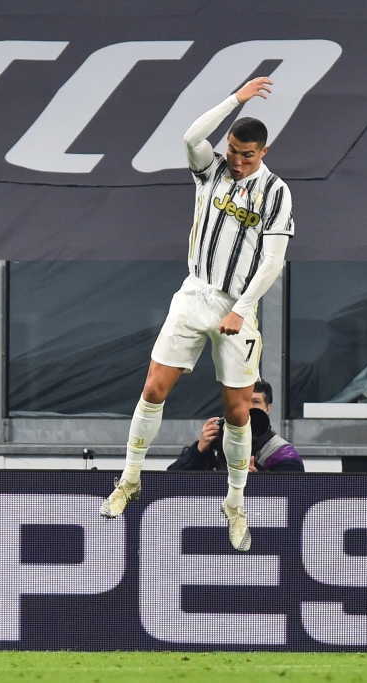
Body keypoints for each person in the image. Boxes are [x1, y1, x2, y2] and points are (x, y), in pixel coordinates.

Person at [100, 76, 294, 553]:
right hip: (195, 293)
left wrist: (243, 310)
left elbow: (272, 261)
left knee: (237, 411)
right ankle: (129, 480)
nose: (237, 159)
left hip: (237, 307)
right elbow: (190, 137)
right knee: (153, 387)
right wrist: (236, 99)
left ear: (264, 153)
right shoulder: (210, 172)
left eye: (247, 154)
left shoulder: (276, 194)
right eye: (233, 149)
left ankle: (234, 501)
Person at [168, 380, 304, 472]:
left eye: (256, 402)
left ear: (268, 408)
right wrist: (198, 451)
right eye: (242, 402)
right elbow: (169, 482)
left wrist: (260, 480)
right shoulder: (215, 439)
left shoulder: (280, 452)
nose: (248, 408)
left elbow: (295, 492)